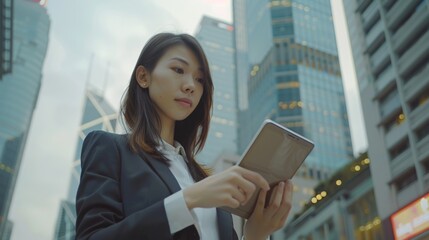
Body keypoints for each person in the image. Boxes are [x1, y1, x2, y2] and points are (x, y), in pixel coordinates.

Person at [75, 32, 293, 240]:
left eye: (200, 79)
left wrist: (256, 234)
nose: (191, 86)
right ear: (143, 77)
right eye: (178, 70)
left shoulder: (204, 181)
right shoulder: (110, 148)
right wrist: (189, 199)